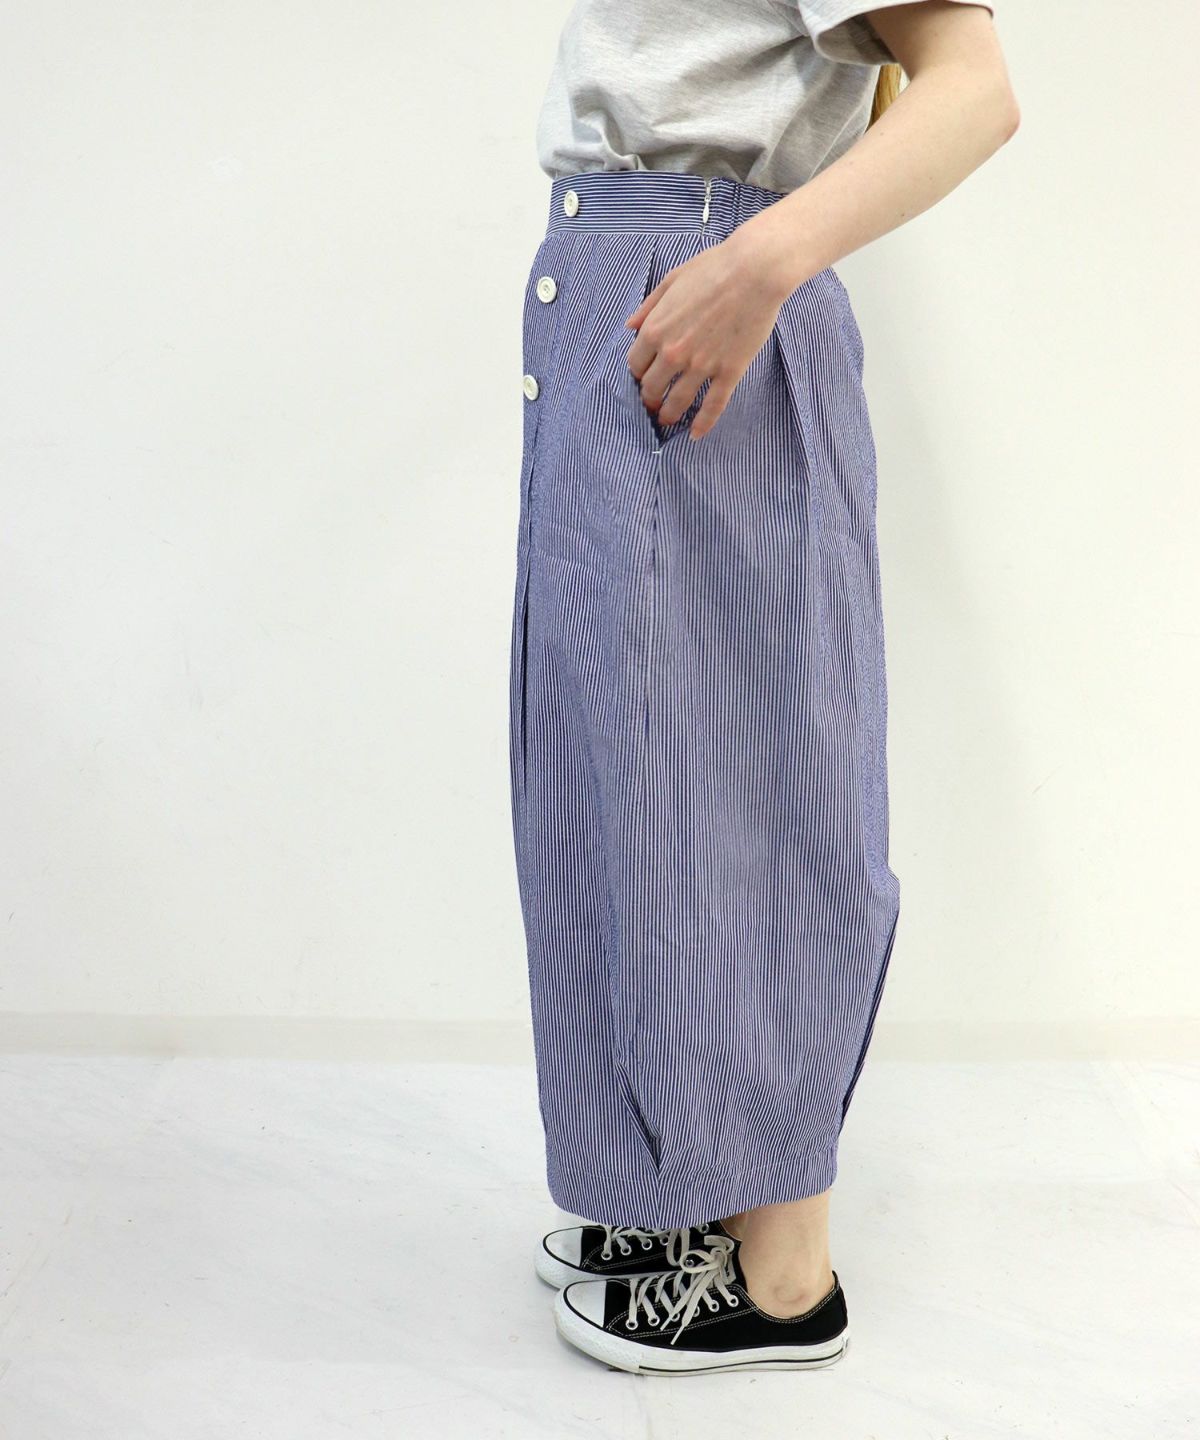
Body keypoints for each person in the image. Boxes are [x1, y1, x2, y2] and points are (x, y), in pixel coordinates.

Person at [508, 0, 1019, 1376]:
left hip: (701, 280)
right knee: (614, 773)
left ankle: (784, 1269)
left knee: (751, 772)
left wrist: (757, 263)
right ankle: (675, 1196)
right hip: (619, 285)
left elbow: (973, 89)